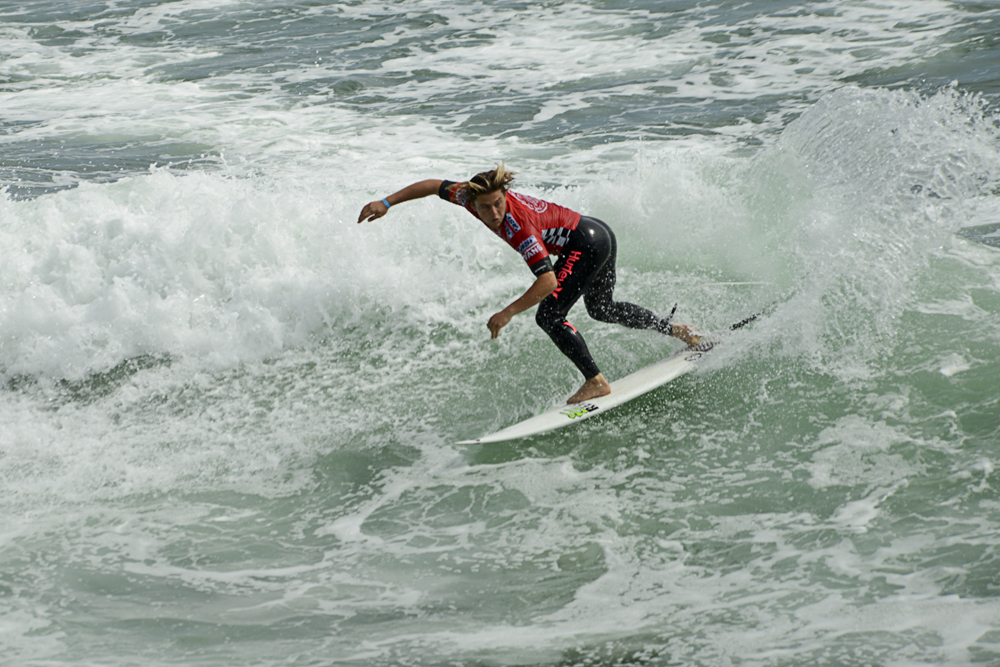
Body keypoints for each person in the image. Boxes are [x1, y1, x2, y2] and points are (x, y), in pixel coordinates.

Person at [357, 163, 702, 404]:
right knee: (602, 308)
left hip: (587, 243)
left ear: (505, 195)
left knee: (548, 316)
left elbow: (547, 281)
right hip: (597, 231)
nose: (494, 213)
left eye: (498, 204)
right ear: (471, 203)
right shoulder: (466, 196)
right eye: (485, 207)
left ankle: (595, 382)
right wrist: (386, 202)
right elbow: (433, 186)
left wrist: (507, 313)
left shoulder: (520, 226)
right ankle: (681, 331)